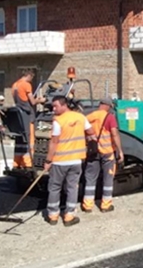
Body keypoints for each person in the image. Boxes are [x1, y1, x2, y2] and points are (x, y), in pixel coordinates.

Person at [43, 96, 96, 227]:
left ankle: (53, 215)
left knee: (55, 188)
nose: (53, 109)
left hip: (60, 161)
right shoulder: (80, 117)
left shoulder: (58, 121)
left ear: (64, 105)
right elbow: (91, 131)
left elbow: (54, 142)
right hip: (76, 160)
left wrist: (48, 160)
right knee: (72, 188)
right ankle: (69, 215)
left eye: (55, 106)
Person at [82, 97, 124, 213]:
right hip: (107, 152)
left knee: (90, 178)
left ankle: (87, 205)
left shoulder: (89, 117)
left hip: (93, 152)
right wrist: (120, 150)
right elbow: (114, 134)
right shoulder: (109, 117)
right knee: (108, 178)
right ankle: (105, 205)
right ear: (108, 106)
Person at [11, 69, 36, 169]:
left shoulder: (14, 85)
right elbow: (32, 102)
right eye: (31, 78)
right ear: (29, 76)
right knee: (29, 140)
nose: (31, 81)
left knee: (19, 140)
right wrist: (41, 100)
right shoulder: (26, 85)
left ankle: (17, 163)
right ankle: (28, 163)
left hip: (19, 116)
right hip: (27, 115)